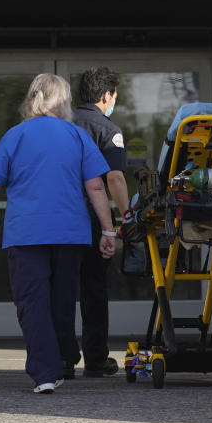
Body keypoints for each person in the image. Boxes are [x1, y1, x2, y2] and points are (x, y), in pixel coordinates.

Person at [0, 73, 116, 394]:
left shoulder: (15, 136)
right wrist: (108, 230)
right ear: (63, 101)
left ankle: (45, 372)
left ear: (31, 99)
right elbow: (95, 186)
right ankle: (63, 360)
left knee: (32, 302)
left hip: (26, 234)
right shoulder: (78, 136)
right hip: (71, 234)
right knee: (62, 301)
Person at [69, 66, 129, 378]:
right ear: (105, 96)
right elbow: (115, 177)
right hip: (91, 219)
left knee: (61, 288)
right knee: (93, 289)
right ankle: (95, 358)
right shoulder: (108, 129)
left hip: (59, 217)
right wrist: (127, 214)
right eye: (114, 97)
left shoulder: (59, 125)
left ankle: (62, 357)